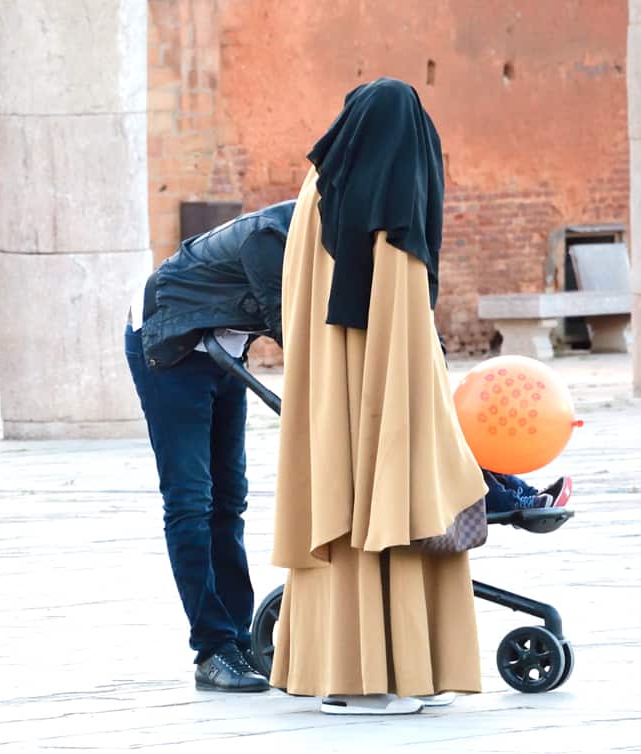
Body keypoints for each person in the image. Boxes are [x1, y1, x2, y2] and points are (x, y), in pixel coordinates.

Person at [268, 78, 489, 715]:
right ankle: (380, 680)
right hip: (384, 388)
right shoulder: (396, 206)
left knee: (344, 504)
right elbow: (406, 325)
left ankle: (368, 673)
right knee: (399, 504)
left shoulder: (316, 189)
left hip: (328, 395)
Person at [124, 201, 296, 692]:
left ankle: (239, 639)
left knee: (229, 499)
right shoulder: (275, 238)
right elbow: (297, 333)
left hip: (222, 350)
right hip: (169, 343)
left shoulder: (329, 236)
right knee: (191, 498)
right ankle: (214, 648)